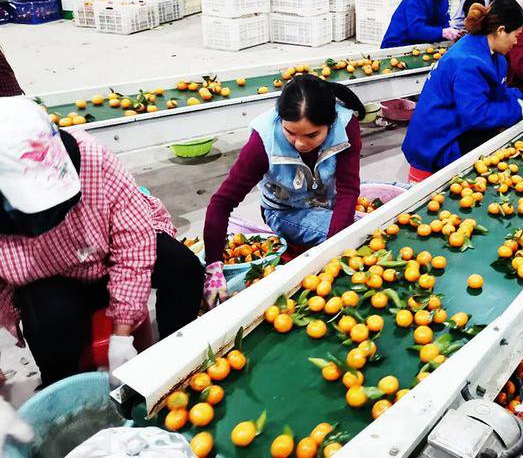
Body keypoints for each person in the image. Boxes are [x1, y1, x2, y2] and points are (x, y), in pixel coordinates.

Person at [0, 97, 204, 387]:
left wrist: (122, 335)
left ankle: (175, 359)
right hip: (50, 275)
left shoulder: (92, 157)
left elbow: (134, 243)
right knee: (50, 322)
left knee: (183, 268)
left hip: (106, 255)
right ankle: (68, 393)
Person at [204, 76, 364, 293]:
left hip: (327, 199)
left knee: (368, 225)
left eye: (312, 135)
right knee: (360, 235)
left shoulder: (345, 126)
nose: (300, 143)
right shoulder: (263, 141)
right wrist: (213, 267)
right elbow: (222, 202)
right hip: (285, 210)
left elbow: (348, 188)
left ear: (331, 123)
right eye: (290, 133)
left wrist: (336, 243)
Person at [402, 0, 523, 175]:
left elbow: (497, 90)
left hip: (452, 126)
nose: (516, 42)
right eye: (516, 36)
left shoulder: (491, 53)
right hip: (437, 142)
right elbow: (476, 114)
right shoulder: (469, 62)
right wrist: (519, 109)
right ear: (501, 31)